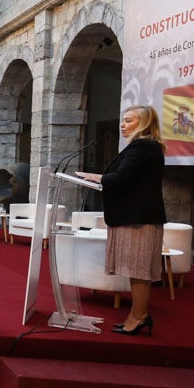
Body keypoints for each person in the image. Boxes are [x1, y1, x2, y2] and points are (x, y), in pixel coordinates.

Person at [76, 104, 167, 336]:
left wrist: (96, 177)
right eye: (123, 120)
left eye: (129, 120)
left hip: (139, 219)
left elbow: (123, 177)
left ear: (144, 123)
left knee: (139, 270)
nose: (122, 124)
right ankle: (136, 315)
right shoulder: (144, 147)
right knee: (135, 270)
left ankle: (139, 316)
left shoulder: (143, 146)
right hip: (135, 217)